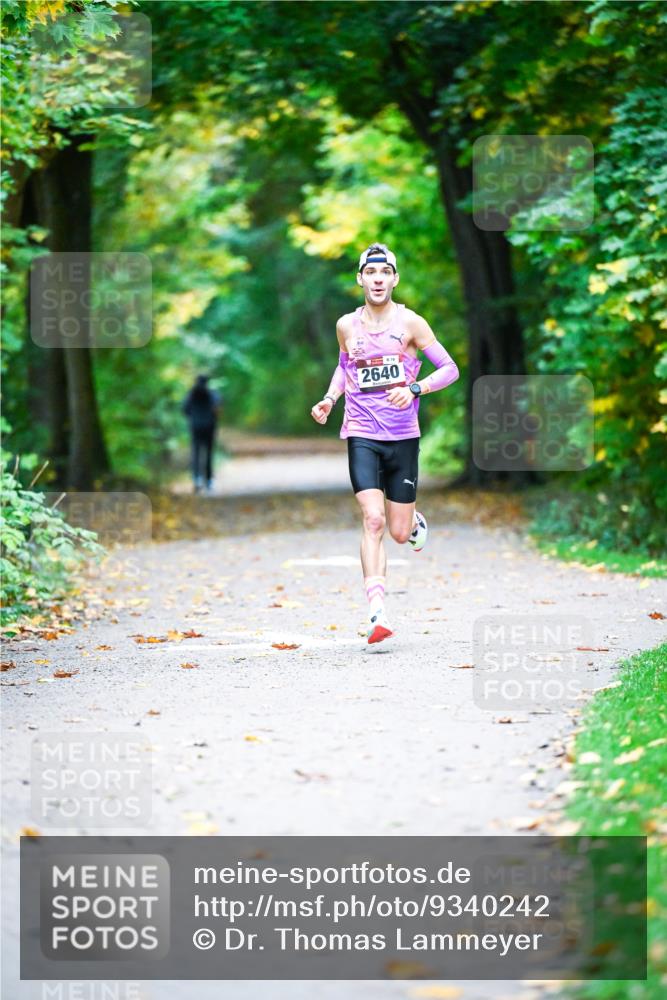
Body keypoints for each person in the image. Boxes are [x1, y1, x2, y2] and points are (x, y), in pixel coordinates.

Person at [311, 243, 459, 644]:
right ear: (360, 279)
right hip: (361, 431)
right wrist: (329, 398)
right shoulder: (347, 325)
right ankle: (377, 612)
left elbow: (450, 369)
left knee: (397, 531)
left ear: (394, 278)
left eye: (385, 273)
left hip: (403, 437)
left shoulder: (411, 324)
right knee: (372, 520)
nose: (377, 279)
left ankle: (412, 521)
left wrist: (415, 388)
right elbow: (344, 368)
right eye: (370, 273)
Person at [182, 375, 220, 493]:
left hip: (195, 427)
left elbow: (184, 409)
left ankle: (197, 479)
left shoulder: (190, 394)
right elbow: (217, 409)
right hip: (209, 427)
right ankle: (208, 481)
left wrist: (193, 417)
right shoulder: (213, 394)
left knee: (196, 453)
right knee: (208, 453)